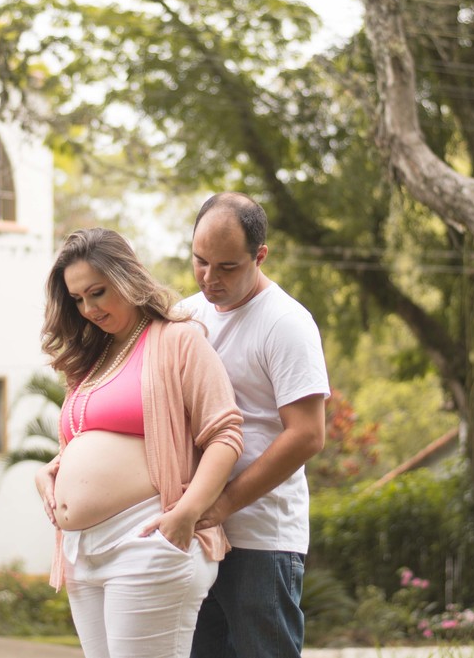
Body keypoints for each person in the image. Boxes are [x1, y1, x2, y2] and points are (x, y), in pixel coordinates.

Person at [35, 227, 244, 658]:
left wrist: (186, 513)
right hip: (84, 551)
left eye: (98, 292)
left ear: (127, 278)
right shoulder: (92, 359)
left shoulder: (177, 339)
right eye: (77, 299)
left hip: (147, 540)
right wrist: (51, 471)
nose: (89, 308)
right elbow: (92, 441)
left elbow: (224, 434)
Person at [182, 193, 329, 658]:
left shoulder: (286, 323)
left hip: (262, 540)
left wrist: (224, 503)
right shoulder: (186, 316)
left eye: (227, 267)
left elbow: (307, 434)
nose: (210, 279)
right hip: (198, 534)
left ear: (259, 256)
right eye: (200, 262)